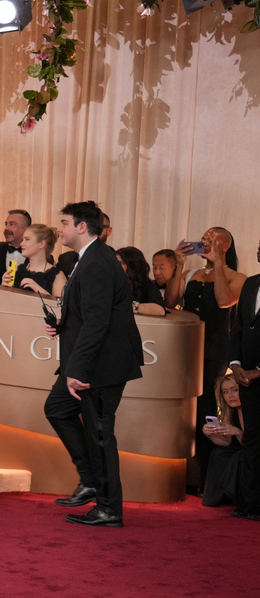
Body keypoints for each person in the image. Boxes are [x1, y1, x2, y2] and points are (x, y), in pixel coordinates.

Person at [45, 200, 144, 528]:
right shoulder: (89, 258)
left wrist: (78, 370)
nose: (58, 229)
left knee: (100, 434)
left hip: (102, 366)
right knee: (58, 408)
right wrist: (60, 326)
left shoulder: (98, 261)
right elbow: (89, 314)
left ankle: (109, 508)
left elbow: (98, 322)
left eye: (63, 223)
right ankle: (90, 481)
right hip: (90, 361)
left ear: (81, 227)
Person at [165, 228, 246, 494]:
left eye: (213, 240)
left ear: (226, 245)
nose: (206, 242)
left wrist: (219, 265)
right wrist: (179, 265)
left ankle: (207, 480)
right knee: (182, 410)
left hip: (214, 349)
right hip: (185, 347)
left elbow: (224, 302)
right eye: (204, 238)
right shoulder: (192, 274)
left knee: (206, 407)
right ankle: (185, 475)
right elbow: (171, 301)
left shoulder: (238, 278)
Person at [229, 237, 260, 521]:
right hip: (246, 377)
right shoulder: (251, 283)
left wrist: (259, 370)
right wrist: (236, 364)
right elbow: (239, 326)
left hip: (258, 374)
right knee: (252, 438)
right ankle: (249, 503)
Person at [201, 374, 245, 507]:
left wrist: (237, 432)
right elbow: (226, 442)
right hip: (240, 448)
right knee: (218, 453)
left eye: (234, 390)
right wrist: (210, 433)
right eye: (225, 392)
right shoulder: (229, 411)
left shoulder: (253, 410)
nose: (230, 395)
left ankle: (239, 498)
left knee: (239, 456)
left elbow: (253, 445)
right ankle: (218, 498)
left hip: (253, 450)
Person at [2, 223, 66, 298]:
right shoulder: (17, 270)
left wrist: (38, 289)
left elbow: (60, 307)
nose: (22, 243)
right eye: (22, 240)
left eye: (27, 239)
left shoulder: (57, 275)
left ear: (41, 244)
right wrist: (4, 287)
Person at [115, 247, 166, 316]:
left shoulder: (147, 285)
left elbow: (160, 310)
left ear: (132, 265)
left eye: (121, 263)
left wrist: (133, 307)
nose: (116, 266)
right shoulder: (111, 282)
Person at [0, 210, 32, 283]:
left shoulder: (36, 255)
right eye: (6, 224)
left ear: (25, 230)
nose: (6, 228)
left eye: (12, 224)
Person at [57, 212, 112, 277]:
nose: (95, 231)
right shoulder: (67, 259)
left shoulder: (108, 257)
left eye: (100, 227)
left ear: (109, 231)